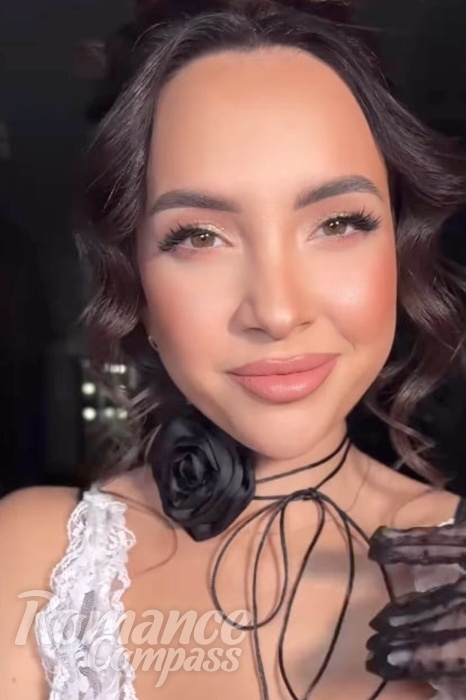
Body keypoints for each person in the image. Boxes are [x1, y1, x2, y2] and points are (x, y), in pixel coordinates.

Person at [1, 1, 466, 698]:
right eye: (199, 237)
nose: (276, 312)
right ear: (137, 283)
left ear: (399, 250)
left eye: (339, 223)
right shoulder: (38, 560)